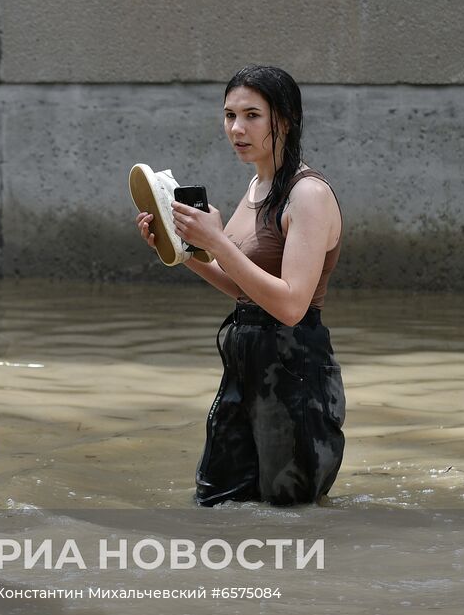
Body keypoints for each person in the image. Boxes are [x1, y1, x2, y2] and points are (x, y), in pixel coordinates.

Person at [136, 65, 346, 506]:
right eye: (229, 115)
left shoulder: (308, 195)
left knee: (290, 510)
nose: (237, 128)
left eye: (252, 115)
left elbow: (290, 306)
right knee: (216, 501)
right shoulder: (257, 185)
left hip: (294, 367)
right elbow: (245, 291)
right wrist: (182, 250)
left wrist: (215, 240)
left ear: (284, 120)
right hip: (244, 360)